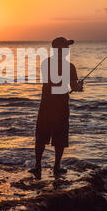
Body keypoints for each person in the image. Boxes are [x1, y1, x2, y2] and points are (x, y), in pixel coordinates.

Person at [30, 37, 83, 179]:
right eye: (65, 47)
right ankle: (56, 167)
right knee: (59, 137)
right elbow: (73, 87)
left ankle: (38, 166)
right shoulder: (70, 66)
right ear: (58, 49)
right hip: (60, 107)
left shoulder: (46, 63)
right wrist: (78, 87)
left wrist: (74, 85)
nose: (67, 49)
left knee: (41, 137)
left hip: (46, 106)